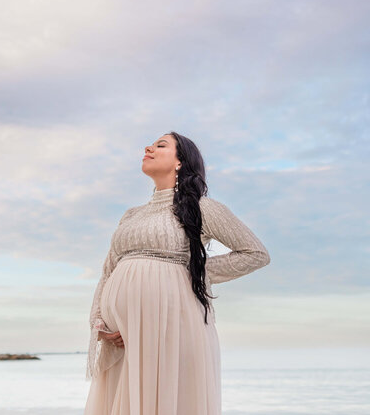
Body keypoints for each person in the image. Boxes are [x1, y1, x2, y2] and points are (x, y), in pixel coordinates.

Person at [83, 131, 271, 415]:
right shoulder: (131, 215)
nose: (148, 147)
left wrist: (192, 271)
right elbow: (108, 271)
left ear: (181, 162)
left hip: (174, 325)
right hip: (124, 336)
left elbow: (255, 254)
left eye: (160, 145)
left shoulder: (202, 208)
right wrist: (99, 324)